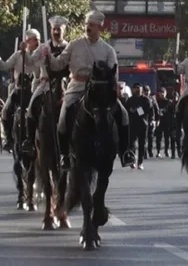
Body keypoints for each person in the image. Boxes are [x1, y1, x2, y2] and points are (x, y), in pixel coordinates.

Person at [35, 10, 135, 169]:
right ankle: (64, 155)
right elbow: (58, 64)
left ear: (99, 28)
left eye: (92, 25)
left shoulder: (108, 50)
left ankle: (125, 151)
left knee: (123, 115)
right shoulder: (75, 45)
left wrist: (112, 89)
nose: (88, 27)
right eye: (87, 24)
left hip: (100, 92)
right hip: (77, 87)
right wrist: (48, 56)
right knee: (62, 119)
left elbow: (113, 74)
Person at [25, 16, 70, 150]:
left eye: (59, 29)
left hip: (65, 83)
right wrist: (24, 52)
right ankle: (29, 141)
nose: (56, 32)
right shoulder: (44, 47)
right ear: (50, 30)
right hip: (45, 83)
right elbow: (30, 62)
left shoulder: (69, 47)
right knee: (32, 107)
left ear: (64, 30)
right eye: (54, 29)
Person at [0, 29, 40, 152]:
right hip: (19, 89)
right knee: (6, 111)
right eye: (31, 40)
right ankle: (8, 138)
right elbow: (6, 66)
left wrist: (25, 54)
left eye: (36, 39)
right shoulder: (18, 55)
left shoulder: (40, 54)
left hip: (34, 89)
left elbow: (35, 68)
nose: (35, 42)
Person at [125, 83, 152, 170]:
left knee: (142, 144)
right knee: (131, 144)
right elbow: (127, 111)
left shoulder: (145, 100)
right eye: (136, 89)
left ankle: (140, 162)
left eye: (139, 88)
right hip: (132, 124)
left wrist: (136, 110)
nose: (138, 90)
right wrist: (132, 111)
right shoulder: (130, 100)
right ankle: (132, 160)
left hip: (142, 124)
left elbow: (147, 110)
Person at [155, 88, 174, 158]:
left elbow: (172, 112)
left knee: (167, 138)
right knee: (158, 138)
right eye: (160, 92)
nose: (162, 94)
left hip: (167, 122)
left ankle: (166, 151)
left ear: (165, 93)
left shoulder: (169, 102)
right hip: (159, 122)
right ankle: (158, 151)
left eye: (163, 92)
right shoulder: (156, 102)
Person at [143, 85, 159, 158]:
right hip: (143, 120)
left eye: (148, 90)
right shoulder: (141, 99)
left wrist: (157, 119)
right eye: (145, 91)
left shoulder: (152, 99)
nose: (147, 92)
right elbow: (139, 109)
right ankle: (145, 152)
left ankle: (150, 150)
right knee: (144, 138)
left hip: (151, 121)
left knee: (150, 137)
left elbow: (156, 110)